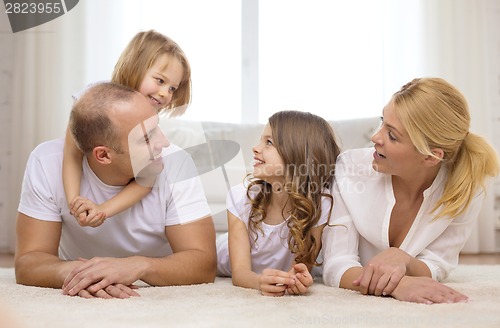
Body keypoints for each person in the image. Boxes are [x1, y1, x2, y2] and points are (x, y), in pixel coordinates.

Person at [15, 82, 216, 299]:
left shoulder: (176, 163)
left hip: (157, 278)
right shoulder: (46, 162)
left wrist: (138, 267)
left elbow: (204, 264)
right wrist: (81, 274)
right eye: (147, 138)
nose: (164, 143)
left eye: (157, 127)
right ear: (103, 155)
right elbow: (28, 261)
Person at [322, 77, 499, 304]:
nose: (375, 137)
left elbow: (438, 262)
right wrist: (400, 284)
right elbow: (337, 264)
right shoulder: (349, 169)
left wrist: (404, 260)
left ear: (431, 156)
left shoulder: (464, 187)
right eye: (381, 122)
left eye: (392, 135)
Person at [63, 30, 192, 227]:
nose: (165, 93)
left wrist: (102, 210)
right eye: (160, 81)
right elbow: (72, 153)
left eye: (172, 88)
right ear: (135, 67)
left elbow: (146, 180)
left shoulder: (151, 118)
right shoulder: (92, 100)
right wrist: (75, 201)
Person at [217, 110, 341, 296]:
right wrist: (259, 282)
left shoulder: (321, 204)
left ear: (297, 154)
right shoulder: (241, 197)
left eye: (269, 142)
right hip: (221, 256)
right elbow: (240, 274)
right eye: (261, 140)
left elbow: (301, 267)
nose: (255, 148)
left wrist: (295, 280)